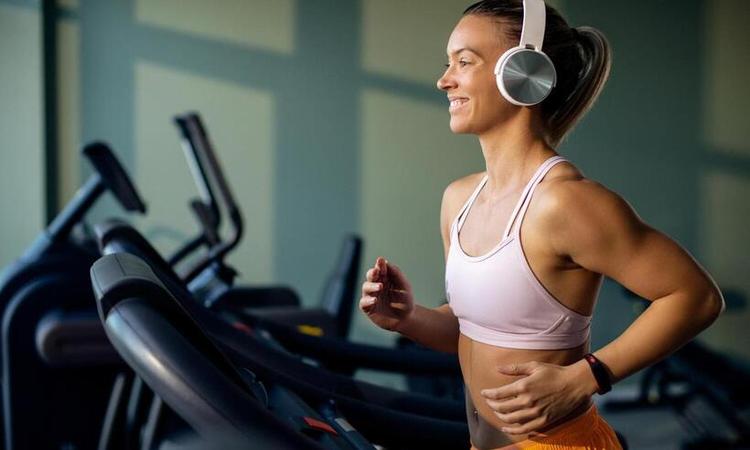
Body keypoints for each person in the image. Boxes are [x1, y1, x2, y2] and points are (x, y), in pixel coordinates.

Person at [359, 1, 725, 449]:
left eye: (464, 62)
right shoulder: (458, 199)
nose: (443, 79)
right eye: (447, 63)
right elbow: (473, 330)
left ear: (521, 71)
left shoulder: (565, 202)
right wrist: (408, 318)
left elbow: (696, 296)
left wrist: (586, 377)